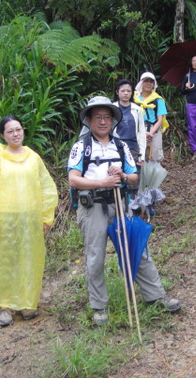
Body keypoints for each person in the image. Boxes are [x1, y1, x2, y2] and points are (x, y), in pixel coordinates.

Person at [68, 96, 181, 326]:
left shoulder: (121, 146)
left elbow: (134, 176)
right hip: (92, 207)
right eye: (97, 117)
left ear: (112, 120)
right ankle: (99, 306)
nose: (102, 122)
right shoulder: (81, 146)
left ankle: (156, 296)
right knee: (95, 256)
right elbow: (73, 180)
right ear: (89, 120)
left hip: (120, 202)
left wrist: (122, 177)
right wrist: (102, 183)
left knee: (137, 249)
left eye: (106, 117)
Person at [0, 116, 58, 327]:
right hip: (6, 220)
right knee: (6, 261)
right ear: (3, 135)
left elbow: (47, 187)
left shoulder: (33, 158)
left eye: (18, 129)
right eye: (10, 131)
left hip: (30, 219)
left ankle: (27, 302)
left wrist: (46, 217)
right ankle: (5, 306)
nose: (15, 134)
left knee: (29, 259)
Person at [134, 72, 168, 163]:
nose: (149, 84)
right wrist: (143, 132)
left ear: (154, 84)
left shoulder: (158, 99)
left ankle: (154, 176)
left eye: (151, 82)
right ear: (141, 83)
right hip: (137, 128)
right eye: (146, 81)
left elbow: (160, 119)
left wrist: (150, 134)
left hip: (154, 129)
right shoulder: (134, 99)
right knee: (138, 155)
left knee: (155, 155)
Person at [113, 79, 146, 167]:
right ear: (117, 92)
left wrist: (141, 155)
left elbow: (141, 132)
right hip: (115, 147)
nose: (125, 93)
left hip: (133, 148)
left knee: (133, 177)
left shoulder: (137, 109)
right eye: (122, 91)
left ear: (132, 93)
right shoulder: (112, 108)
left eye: (128, 91)